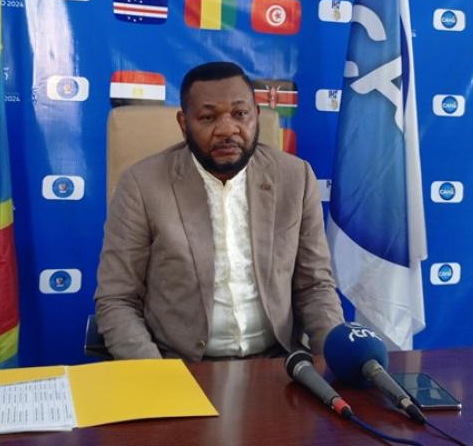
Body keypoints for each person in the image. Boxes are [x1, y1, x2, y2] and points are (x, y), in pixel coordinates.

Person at [94, 62, 344, 361]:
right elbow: (117, 299)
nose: (227, 130)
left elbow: (315, 287)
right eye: (208, 117)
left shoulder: (295, 177)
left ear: (256, 116)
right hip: (181, 366)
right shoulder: (142, 185)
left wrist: (336, 358)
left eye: (240, 114)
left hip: (278, 364)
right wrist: (157, 377)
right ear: (184, 124)